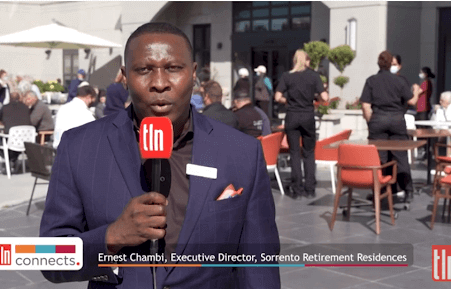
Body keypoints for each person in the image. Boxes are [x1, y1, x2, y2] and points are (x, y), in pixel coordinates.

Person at [40, 22, 279, 288]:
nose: (160, 83)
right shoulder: (79, 147)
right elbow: (48, 258)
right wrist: (111, 237)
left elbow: (260, 264)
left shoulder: (242, 152)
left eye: (173, 68)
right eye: (143, 70)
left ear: (194, 74)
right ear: (124, 76)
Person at [360, 50, 421, 202]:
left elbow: (366, 106)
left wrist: (371, 122)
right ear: (390, 64)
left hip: (378, 120)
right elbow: (411, 102)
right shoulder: (399, 81)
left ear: (378, 64)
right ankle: (408, 191)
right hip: (396, 120)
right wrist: (417, 92)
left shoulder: (371, 80)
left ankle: (379, 190)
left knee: (379, 158)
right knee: (400, 156)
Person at [274, 50, 328, 199]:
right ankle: (310, 189)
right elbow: (325, 97)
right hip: (308, 116)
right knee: (309, 153)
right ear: (306, 61)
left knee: (294, 153)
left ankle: (296, 189)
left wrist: (289, 101)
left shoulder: (287, 76)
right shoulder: (313, 76)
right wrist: (316, 97)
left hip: (291, 116)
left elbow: (278, 96)